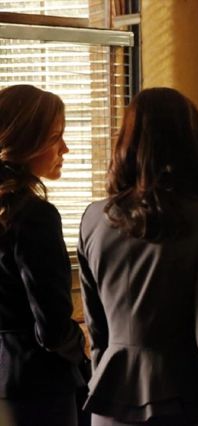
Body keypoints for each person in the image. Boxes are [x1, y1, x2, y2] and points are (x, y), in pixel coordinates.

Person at [77, 87, 198, 425]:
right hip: (183, 401)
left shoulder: (93, 219)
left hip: (109, 399)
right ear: (194, 145)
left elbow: (97, 331)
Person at [0, 84, 85, 426]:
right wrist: (81, 342)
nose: (65, 148)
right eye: (55, 137)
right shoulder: (35, 216)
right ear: (25, 143)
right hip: (36, 386)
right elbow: (52, 328)